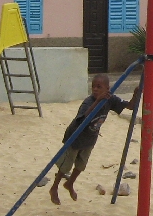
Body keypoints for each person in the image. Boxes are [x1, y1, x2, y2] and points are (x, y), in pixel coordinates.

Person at [49, 74, 140, 205]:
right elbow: (84, 118)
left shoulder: (110, 99)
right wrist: (97, 101)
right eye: (93, 87)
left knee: (81, 165)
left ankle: (69, 183)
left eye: (99, 87)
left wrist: (136, 94)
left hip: (90, 138)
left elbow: (130, 106)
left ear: (107, 89)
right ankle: (54, 188)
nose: (95, 89)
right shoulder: (89, 102)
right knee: (66, 166)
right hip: (75, 137)